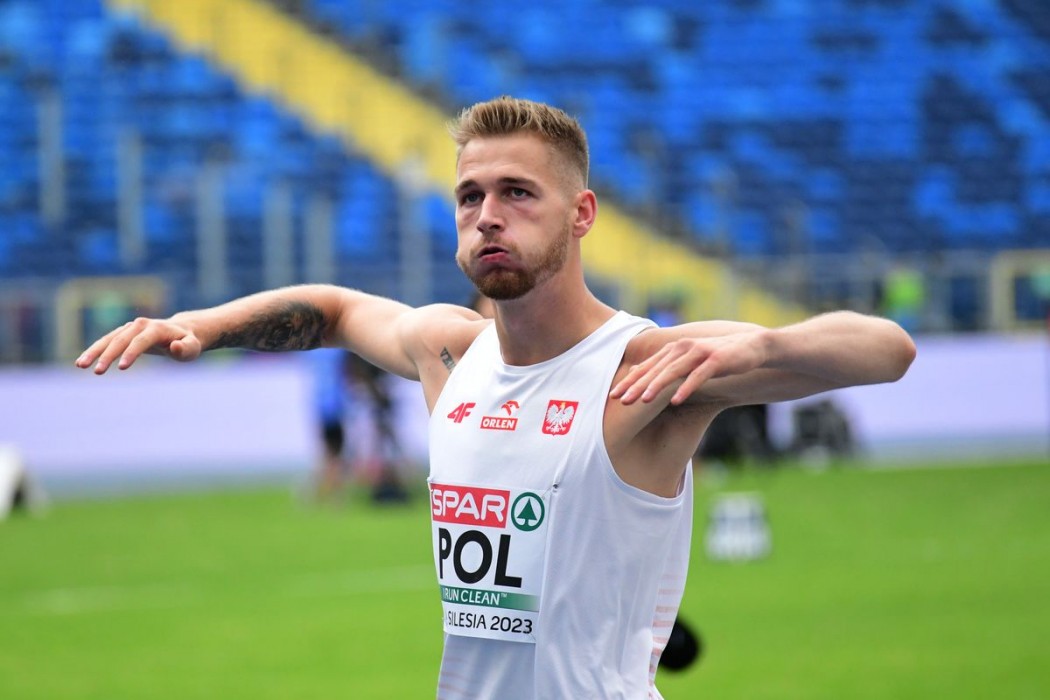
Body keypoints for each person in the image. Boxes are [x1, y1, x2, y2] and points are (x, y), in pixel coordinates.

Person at [76, 96, 916, 699]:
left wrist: (762, 346)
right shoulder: (451, 353)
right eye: (470, 195)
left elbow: (888, 349)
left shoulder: (643, 368)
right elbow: (332, 310)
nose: (487, 215)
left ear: (581, 214)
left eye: (518, 192)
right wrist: (199, 324)